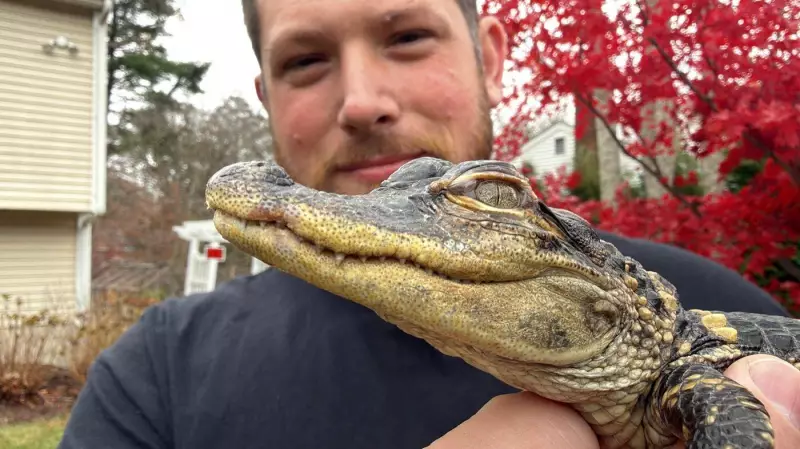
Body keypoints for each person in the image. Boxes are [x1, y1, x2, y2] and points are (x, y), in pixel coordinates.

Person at [58, 0, 800, 447]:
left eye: (408, 35)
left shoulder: (735, 342)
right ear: (264, 94)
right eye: (306, 60)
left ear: (491, 57)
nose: (362, 101)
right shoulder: (153, 376)